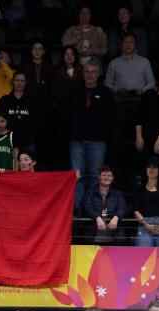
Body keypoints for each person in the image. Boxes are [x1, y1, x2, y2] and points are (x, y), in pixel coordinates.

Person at [69, 64, 115, 211]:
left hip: (97, 142)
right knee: (77, 177)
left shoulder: (106, 93)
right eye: (87, 72)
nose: (90, 74)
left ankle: (93, 210)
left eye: (93, 72)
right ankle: (77, 211)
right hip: (77, 141)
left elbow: (111, 118)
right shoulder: (74, 91)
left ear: (98, 74)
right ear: (83, 74)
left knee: (95, 177)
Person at [133, 158, 159, 247]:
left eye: (154, 167)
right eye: (149, 167)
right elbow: (136, 210)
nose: (151, 169)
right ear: (146, 170)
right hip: (144, 228)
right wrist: (146, 225)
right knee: (143, 255)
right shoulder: (139, 190)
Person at [82, 166, 127, 245]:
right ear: (99, 177)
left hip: (114, 235)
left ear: (112, 178)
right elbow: (87, 207)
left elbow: (122, 208)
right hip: (93, 234)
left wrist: (116, 217)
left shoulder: (117, 194)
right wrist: (97, 217)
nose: (107, 178)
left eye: (109, 175)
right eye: (104, 175)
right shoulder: (90, 192)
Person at [0, 72, 37, 152]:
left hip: (28, 142)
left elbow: (36, 121)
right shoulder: (4, 100)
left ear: (25, 83)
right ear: (13, 82)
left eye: (22, 81)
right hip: (8, 141)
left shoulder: (32, 100)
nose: (19, 83)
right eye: (17, 80)